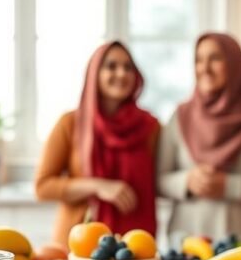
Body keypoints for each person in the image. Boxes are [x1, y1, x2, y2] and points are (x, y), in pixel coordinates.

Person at [157, 32, 241, 241]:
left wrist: (231, 186)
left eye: (215, 59)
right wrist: (187, 181)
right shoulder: (180, 116)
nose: (204, 68)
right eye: (198, 60)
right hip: (185, 247)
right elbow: (158, 180)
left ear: (235, 63)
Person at [35, 41, 160, 244]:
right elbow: (43, 186)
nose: (121, 73)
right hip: (78, 248)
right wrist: (97, 186)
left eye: (128, 67)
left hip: (134, 249)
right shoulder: (69, 123)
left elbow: (160, 181)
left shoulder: (151, 128)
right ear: (94, 73)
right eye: (111, 66)